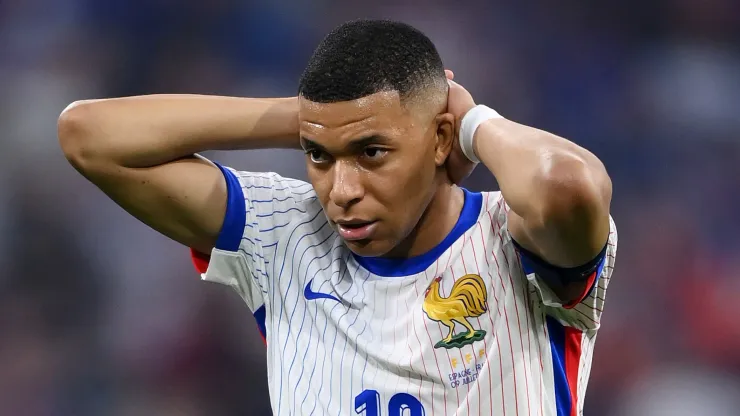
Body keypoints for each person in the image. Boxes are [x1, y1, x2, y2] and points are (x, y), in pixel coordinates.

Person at [58, 19, 617, 416]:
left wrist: (471, 121)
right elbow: (89, 136)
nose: (341, 192)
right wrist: (313, 120)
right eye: (318, 157)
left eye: (372, 152)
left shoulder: (516, 240)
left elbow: (568, 187)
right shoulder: (285, 234)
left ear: (440, 138)